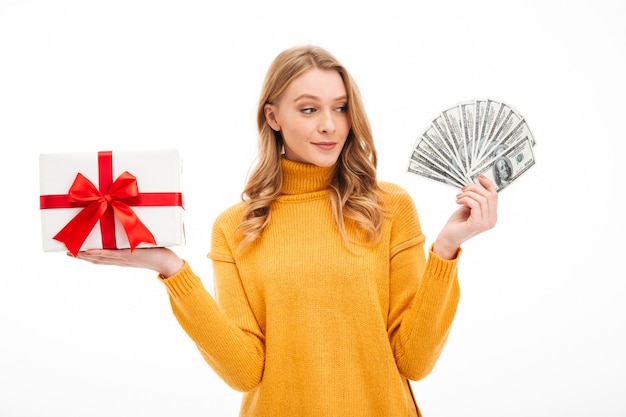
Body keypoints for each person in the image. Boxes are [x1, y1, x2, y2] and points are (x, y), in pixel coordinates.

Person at [73, 45, 498, 417]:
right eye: (309, 109)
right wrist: (171, 269)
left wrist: (444, 251)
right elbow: (244, 371)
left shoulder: (389, 207)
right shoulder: (235, 227)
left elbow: (415, 361)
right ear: (273, 116)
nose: (330, 125)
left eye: (341, 107)